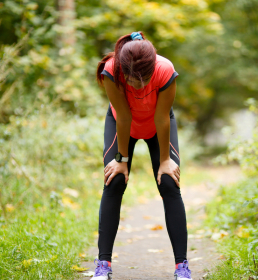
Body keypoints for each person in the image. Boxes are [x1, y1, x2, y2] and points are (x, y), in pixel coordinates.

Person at [92, 31, 192, 280]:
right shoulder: (110, 70)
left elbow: (161, 117)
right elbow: (124, 117)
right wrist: (122, 161)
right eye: (132, 80)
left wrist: (166, 161)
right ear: (122, 70)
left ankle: (182, 267)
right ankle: (103, 265)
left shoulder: (165, 69)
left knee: (169, 182)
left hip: (157, 124)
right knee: (113, 181)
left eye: (144, 80)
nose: (139, 86)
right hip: (121, 123)